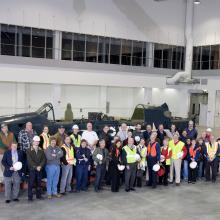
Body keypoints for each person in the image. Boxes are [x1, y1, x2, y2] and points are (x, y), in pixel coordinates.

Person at [26, 136, 46, 201]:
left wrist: (40, 166)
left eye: (38, 141)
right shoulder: (29, 150)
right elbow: (29, 160)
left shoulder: (41, 150)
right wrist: (36, 167)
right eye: (35, 141)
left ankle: (38, 196)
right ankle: (30, 197)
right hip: (32, 169)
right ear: (33, 141)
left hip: (39, 169)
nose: (37, 142)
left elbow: (43, 159)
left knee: (39, 183)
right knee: (31, 183)